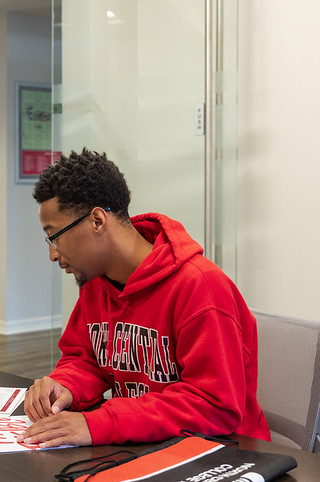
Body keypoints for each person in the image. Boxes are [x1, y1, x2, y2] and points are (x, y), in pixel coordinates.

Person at [20, 149, 270, 448]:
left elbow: (214, 405)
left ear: (97, 221)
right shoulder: (96, 284)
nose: (53, 254)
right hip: (148, 446)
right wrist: (64, 385)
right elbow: (85, 358)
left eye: (55, 236)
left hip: (225, 454)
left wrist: (102, 422)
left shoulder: (200, 286)